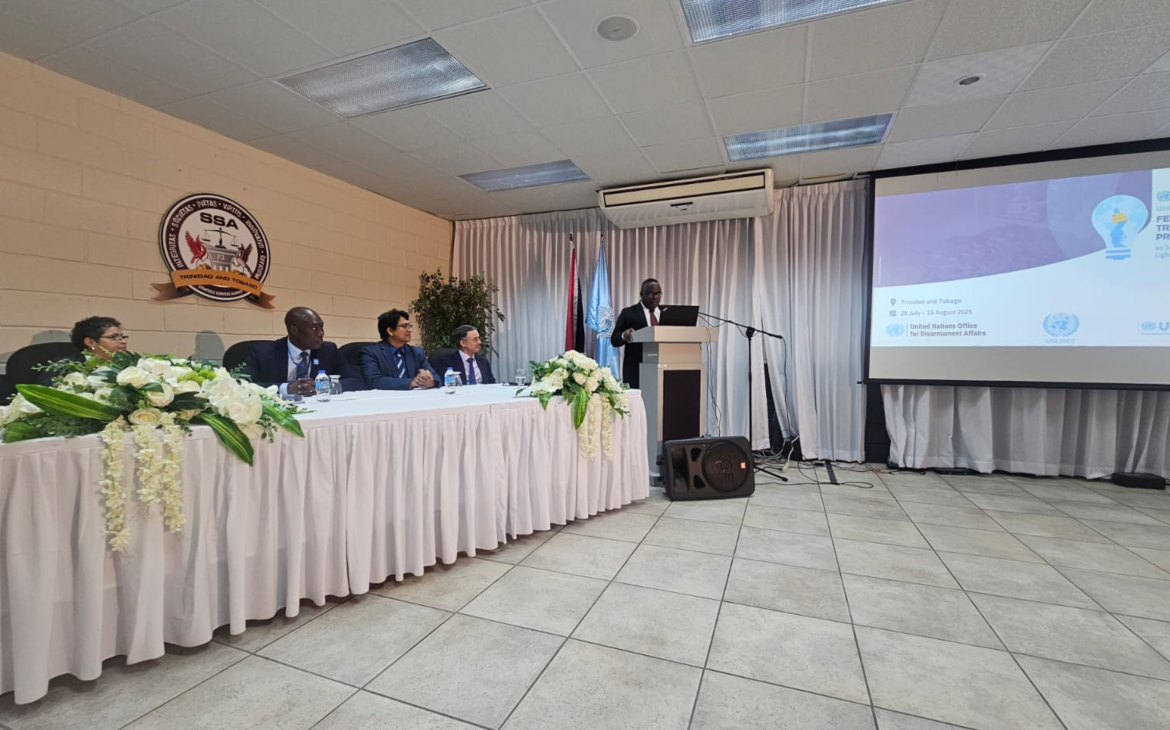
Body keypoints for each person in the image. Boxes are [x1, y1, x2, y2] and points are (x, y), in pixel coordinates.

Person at [239, 307, 364, 396]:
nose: (321, 333)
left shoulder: (328, 350)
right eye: (314, 328)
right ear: (294, 330)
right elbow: (241, 385)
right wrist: (286, 388)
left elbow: (354, 381)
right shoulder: (263, 352)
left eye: (321, 327)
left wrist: (323, 386)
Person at [360, 309, 440, 390]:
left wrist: (430, 381)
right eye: (405, 326)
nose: (410, 330)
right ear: (390, 331)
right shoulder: (371, 352)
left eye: (410, 326)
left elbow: (436, 377)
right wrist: (411, 382)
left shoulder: (416, 352)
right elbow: (373, 381)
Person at [609, 278, 661, 389]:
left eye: (658, 294)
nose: (655, 297)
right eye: (651, 294)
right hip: (636, 370)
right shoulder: (628, 313)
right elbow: (614, 339)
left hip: (661, 368)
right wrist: (624, 335)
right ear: (642, 294)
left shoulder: (665, 312)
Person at [430, 325, 496, 385]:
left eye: (478, 338)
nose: (479, 342)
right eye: (475, 339)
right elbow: (445, 384)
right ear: (463, 343)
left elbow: (492, 384)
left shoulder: (483, 361)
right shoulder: (448, 362)